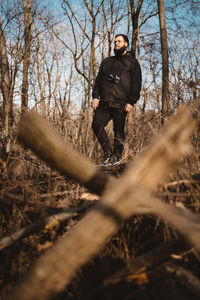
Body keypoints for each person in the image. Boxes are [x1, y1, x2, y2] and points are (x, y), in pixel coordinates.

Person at [91, 34, 142, 166]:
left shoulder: (132, 63)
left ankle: (116, 158)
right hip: (104, 102)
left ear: (126, 44)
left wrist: (132, 101)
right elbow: (98, 80)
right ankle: (108, 153)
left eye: (119, 41)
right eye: (115, 42)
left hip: (121, 103)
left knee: (118, 132)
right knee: (96, 125)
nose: (116, 43)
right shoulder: (107, 61)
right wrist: (95, 96)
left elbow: (137, 83)